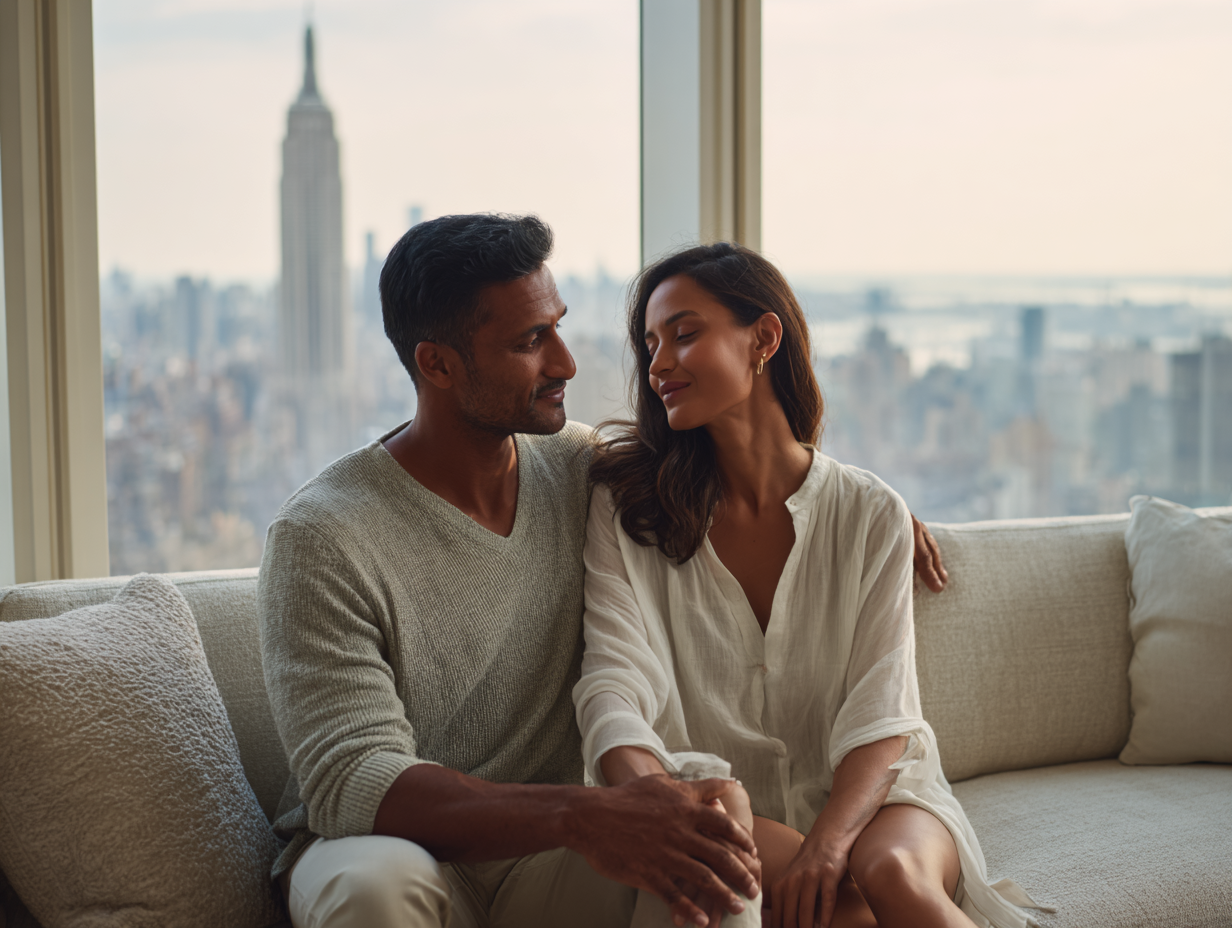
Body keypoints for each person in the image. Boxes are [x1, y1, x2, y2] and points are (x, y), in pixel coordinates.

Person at [259, 214, 949, 928]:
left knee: (705, 828)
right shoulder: (323, 536)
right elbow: (355, 783)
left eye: (556, 327)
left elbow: (748, 467)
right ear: (437, 364)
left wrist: (878, 515)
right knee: (376, 888)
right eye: (531, 341)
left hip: (547, 860)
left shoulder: (581, 471)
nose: (565, 362)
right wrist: (585, 812)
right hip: (389, 851)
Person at [577, 243, 1051, 928]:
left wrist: (830, 846)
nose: (658, 365)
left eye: (684, 334)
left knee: (888, 875)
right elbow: (612, 685)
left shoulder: (870, 512)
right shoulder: (627, 511)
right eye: (649, 345)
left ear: (764, 338)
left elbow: (883, 714)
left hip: (881, 796)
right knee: (840, 912)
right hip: (735, 800)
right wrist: (648, 802)